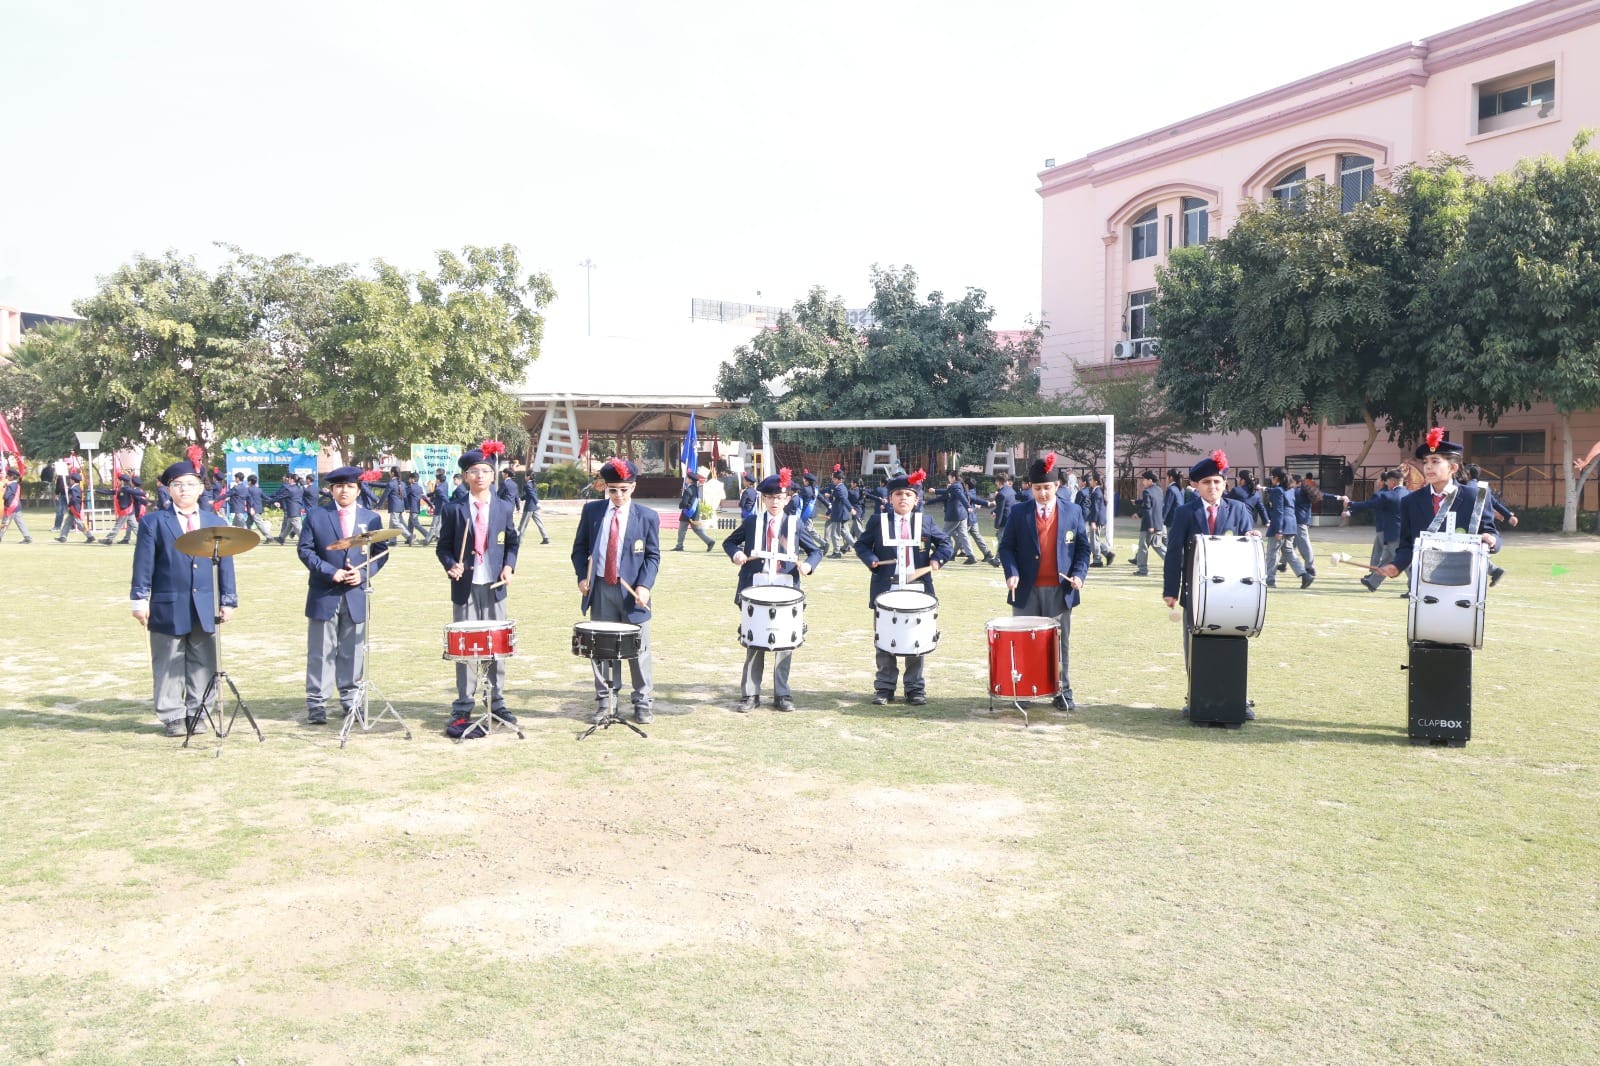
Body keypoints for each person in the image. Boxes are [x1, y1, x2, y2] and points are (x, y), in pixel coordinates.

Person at [130, 461, 239, 736]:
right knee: (168, 662)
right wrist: (139, 599)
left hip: (205, 604)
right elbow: (143, 564)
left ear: (201, 488)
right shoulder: (153, 522)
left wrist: (228, 599)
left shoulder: (215, 522)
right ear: (169, 490)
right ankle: (172, 716)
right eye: (177, 485)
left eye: (190, 484)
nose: (184, 490)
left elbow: (226, 564)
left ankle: (198, 712)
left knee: (204, 661)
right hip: (168, 603)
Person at [1162, 450, 1261, 718]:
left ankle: (1236, 699)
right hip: (1195, 593)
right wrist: (1171, 590)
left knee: (1232, 645)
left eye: (1217, 482)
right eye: (1206, 482)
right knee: (1194, 646)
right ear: (1196, 485)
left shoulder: (1239, 510)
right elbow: (1174, 553)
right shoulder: (1185, 513)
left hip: (1233, 594)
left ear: (1225, 484)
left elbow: (1246, 551)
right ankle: (1194, 697)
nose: (1213, 487)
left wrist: (1252, 538)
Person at [997, 454, 1092, 712]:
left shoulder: (1073, 511)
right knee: (1023, 642)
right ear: (1031, 487)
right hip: (1026, 590)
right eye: (1037, 488)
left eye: (1046, 488)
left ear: (1057, 486)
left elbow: (1083, 549)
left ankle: (1062, 691)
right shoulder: (1019, 512)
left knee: (1060, 643)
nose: (1042, 493)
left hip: (1060, 590)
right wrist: (1011, 572)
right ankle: (1024, 689)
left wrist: (1079, 575)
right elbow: (1006, 548)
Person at [723, 468, 823, 712]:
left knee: (784, 645)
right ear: (763, 499)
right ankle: (750, 694)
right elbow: (729, 541)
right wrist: (736, 554)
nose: (775, 502)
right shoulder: (752, 521)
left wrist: (808, 566)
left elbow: (816, 551)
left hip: (785, 589)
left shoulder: (795, 523)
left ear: (787, 499)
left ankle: (782, 695)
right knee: (754, 643)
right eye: (769, 497)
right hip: (755, 588)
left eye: (779, 498)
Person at [297, 466, 391, 725]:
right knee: (320, 649)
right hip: (324, 591)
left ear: (358, 490)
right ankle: (317, 702)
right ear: (331, 490)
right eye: (338, 486)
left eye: (349, 486)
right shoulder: (316, 515)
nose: (344, 491)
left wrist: (364, 574)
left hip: (356, 592)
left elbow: (381, 552)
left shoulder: (370, 518)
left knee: (353, 649)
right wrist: (330, 571)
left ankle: (350, 699)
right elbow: (305, 550)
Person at [436, 448, 521, 727]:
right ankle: (463, 703)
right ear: (465, 476)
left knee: (497, 645)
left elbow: (512, 543)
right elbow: (443, 547)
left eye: (485, 471)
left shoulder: (504, 507)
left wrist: (509, 566)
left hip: (495, 584)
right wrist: (451, 564)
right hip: (466, 585)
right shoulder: (454, 509)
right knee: (465, 647)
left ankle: (496, 701)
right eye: (474, 471)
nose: (479, 476)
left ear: (493, 475)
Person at [572, 457, 661, 723]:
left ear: (633, 487)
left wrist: (644, 586)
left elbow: (653, 556)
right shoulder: (593, 512)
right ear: (605, 488)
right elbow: (580, 549)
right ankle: (605, 701)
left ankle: (643, 701)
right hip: (600, 589)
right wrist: (581, 577)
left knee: (638, 649)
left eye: (624, 489)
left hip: (632, 593)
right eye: (613, 490)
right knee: (603, 649)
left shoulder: (646, 516)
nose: (618, 495)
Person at [854, 470, 953, 706]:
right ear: (890, 498)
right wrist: (871, 561)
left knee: (915, 638)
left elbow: (946, 543)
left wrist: (937, 559)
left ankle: (915, 688)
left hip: (917, 588)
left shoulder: (925, 521)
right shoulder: (879, 521)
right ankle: (884, 688)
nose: (903, 499)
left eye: (908, 494)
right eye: (898, 494)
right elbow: (862, 545)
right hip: (886, 587)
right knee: (885, 639)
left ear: (916, 499)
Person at [1378, 429, 1500, 585]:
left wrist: (1492, 541)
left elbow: (1491, 533)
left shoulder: (1474, 497)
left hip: (1465, 581)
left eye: (1435, 461)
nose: (1428, 467)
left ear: (1453, 468)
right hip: (1424, 581)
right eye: (1425, 462)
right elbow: (1408, 544)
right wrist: (1397, 565)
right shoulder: (1411, 501)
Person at [1343, 469, 1405, 591]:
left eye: (1386, 481)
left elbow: (1369, 504)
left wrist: (1351, 504)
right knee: (1387, 559)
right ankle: (1373, 582)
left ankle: (1414, 588)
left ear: (1392, 482)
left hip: (1393, 533)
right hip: (1402, 532)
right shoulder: (1410, 494)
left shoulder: (1388, 496)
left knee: (1406, 563)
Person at [1462, 464, 1514, 587]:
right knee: (1470, 555)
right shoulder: (1485, 488)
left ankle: (1494, 571)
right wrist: (1509, 516)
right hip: (1489, 531)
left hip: (1475, 531)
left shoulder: (1466, 488)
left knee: (1466, 554)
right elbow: (1496, 504)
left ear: (1467, 474)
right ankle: (1495, 570)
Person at [1265, 468, 1311, 589]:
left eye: (1272, 477)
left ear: (1277, 478)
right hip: (1291, 523)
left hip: (1281, 524)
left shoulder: (1278, 491)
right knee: (1288, 551)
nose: (1271, 479)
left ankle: (1270, 579)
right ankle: (1304, 574)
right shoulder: (1290, 490)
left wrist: (1278, 529)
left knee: (1272, 553)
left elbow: (1279, 511)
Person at [929, 470, 981, 565]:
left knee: (943, 534)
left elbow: (961, 496)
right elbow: (947, 492)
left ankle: (939, 552)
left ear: (953, 477)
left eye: (949, 476)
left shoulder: (956, 486)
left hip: (955, 515)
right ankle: (971, 556)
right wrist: (935, 491)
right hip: (962, 515)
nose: (948, 478)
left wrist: (968, 506)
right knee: (963, 535)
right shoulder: (958, 485)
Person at [1132, 469, 1165, 576]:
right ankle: (1175, 562)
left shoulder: (1146, 492)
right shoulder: (1159, 490)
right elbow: (1153, 504)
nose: (1143, 482)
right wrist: (1137, 502)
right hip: (1159, 523)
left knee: (1143, 547)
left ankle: (1143, 570)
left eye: (1144, 480)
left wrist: (1150, 525)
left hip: (1148, 525)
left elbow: (1148, 508)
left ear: (1150, 480)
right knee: (1158, 546)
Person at [673, 472, 717, 551]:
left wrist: (681, 503)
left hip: (687, 513)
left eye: (687, 478)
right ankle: (709, 541)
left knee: (682, 530)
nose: (686, 479)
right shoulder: (695, 488)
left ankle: (679, 546)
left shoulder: (688, 490)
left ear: (690, 480)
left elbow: (684, 503)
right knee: (697, 530)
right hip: (695, 513)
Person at [823, 466, 855, 558]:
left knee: (835, 534)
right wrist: (829, 495)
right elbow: (837, 496)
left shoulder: (839, 488)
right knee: (845, 533)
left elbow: (844, 499)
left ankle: (837, 552)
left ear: (839, 479)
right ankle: (858, 547)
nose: (833, 480)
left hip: (838, 514)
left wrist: (851, 508)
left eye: (834, 479)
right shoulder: (842, 487)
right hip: (842, 513)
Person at [56, 472, 95, 542]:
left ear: (73, 480)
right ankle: (63, 536)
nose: (70, 481)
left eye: (70, 480)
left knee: (80, 524)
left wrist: (69, 504)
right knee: (67, 522)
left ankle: (90, 536)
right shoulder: (74, 488)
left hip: (74, 508)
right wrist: (68, 489)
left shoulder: (75, 488)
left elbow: (74, 498)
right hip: (73, 507)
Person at [269, 473, 308, 545]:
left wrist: (270, 501)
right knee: (289, 526)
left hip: (293, 510)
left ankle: (306, 541)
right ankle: (281, 538)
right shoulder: (300, 488)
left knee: (298, 527)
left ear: (292, 480)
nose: (288, 480)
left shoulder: (290, 489)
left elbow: (280, 496)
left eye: (289, 479)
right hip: (296, 509)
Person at [1, 467, 33, 543]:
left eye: (8, 476)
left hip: (11, 507)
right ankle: (27, 537)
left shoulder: (10, 486)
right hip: (17, 506)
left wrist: (4, 490)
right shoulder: (16, 484)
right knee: (20, 522)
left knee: (4, 522)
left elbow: (6, 496)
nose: (7, 477)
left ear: (11, 477)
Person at [517, 473, 550, 544]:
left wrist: (537, 502)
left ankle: (518, 540)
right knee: (539, 523)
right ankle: (546, 538)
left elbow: (532, 494)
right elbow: (529, 495)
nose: (525, 477)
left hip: (529, 507)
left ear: (528, 477)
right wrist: (521, 498)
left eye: (525, 476)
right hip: (535, 507)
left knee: (523, 524)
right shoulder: (533, 484)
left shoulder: (527, 485)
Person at [244, 475, 274, 540]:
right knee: (248, 523)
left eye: (247, 481)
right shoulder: (259, 489)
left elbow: (249, 499)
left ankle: (269, 537)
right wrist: (274, 501)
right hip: (258, 509)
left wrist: (251, 507)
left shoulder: (248, 489)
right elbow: (265, 497)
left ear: (249, 482)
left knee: (259, 524)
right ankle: (247, 537)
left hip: (253, 510)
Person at [402, 472, 426, 545]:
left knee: (415, 523)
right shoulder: (420, 488)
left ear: (413, 479)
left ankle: (427, 535)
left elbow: (404, 495)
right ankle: (409, 538)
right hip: (417, 508)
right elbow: (424, 497)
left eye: (410, 478)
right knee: (410, 524)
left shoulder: (410, 487)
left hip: (412, 508)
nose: (409, 480)